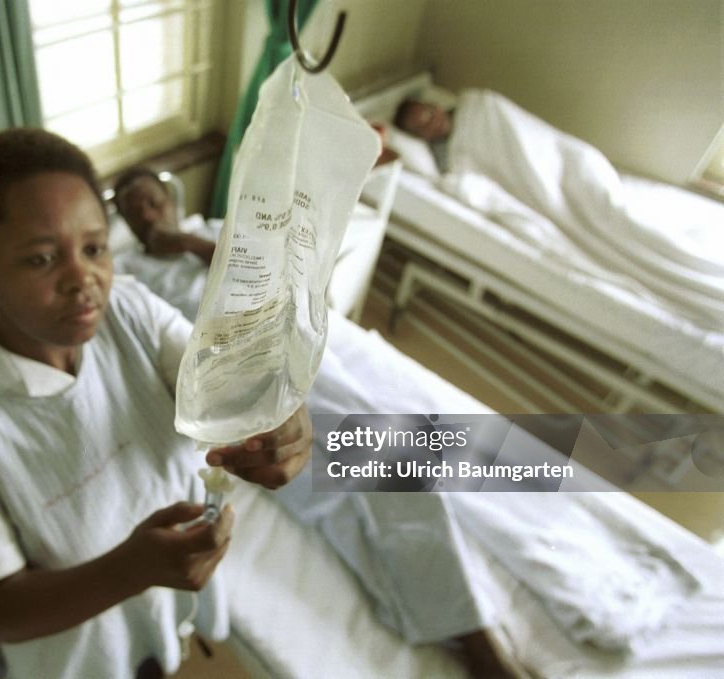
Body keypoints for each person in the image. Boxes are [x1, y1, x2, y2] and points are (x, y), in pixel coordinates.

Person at [0, 129, 312, 679]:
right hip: (71, 648)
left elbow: (223, 382)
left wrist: (278, 415)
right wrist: (131, 569)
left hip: (160, 604)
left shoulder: (131, 309)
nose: (83, 280)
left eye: (94, 249)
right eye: (42, 259)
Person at [110, 168, 533, 679]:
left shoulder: (219, 233)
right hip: (235, 385)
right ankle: (469, 637)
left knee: (387, 460)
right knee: (336, 494)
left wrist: (187, 243)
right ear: (126, 225)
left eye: (154, 202)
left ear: (171, 200)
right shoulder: (126, 274)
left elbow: (287, 285)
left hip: (296, 359)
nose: (148, 215)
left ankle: (474, 640)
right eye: (135, 211)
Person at [394, 97, 455, 172]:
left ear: (436, 107)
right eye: (421, 127)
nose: (433, 124)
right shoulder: (445, 159)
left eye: (429, 115)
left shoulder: (464, 108)